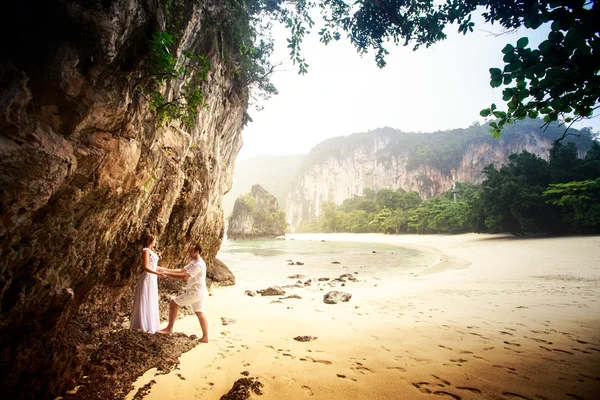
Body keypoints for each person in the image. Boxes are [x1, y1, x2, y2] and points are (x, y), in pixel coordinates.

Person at [157, 243, 209, 342]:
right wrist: (166, 269)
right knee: (199, 312)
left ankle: (169, 328)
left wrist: (167, 274)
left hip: (196, 292)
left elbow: (185, 276)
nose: (189, 252)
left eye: (191, 251)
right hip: (200, 291)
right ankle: (205, 337)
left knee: (173, 303)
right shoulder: (194, 262)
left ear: (197, 252)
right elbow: (182, 270)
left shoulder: (198, 264)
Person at [130, 234, 162, 333]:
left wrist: (160, 270)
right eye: (154, 240)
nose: (155, 242)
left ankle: (150, 323)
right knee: (145, 298)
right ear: (150, 241)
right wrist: (157, 273)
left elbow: (153, 266)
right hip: (147, 277)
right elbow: (146, 267)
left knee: (151, 298)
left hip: (152, 277)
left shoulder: (150, 251)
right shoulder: (145, 251)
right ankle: (142, 324)